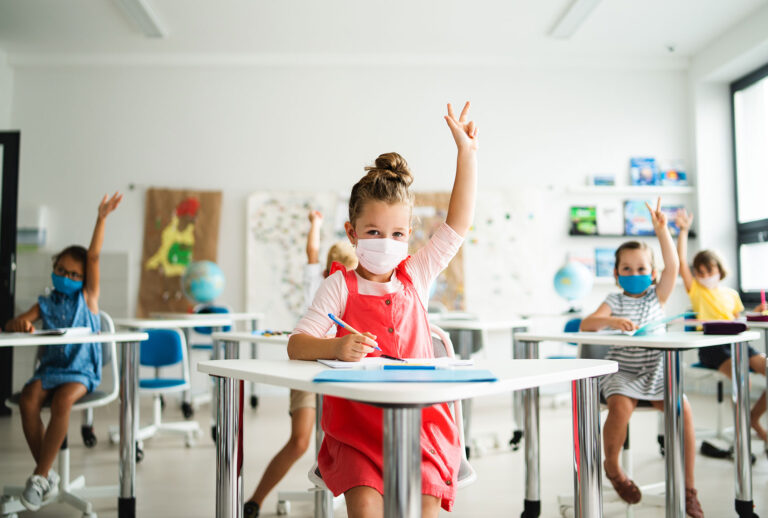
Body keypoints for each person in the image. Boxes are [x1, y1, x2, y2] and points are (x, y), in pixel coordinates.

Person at [287, 102, 478, 517]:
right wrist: (336, 347)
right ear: (352, 233)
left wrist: (466, 154)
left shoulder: (417, 275)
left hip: (422, 426)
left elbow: (458, 224)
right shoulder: (338, 285)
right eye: (373, 232)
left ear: (408, 235)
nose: (385, 242)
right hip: (356, 432)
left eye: (396, 234)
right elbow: (296, 345)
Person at [581, 198, 703, 518]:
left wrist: (662, 231)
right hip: (622, 371)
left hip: (658, 370)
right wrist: (611, 321)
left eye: (641, 269)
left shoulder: (656, 296)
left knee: (683, 410)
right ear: (616, 273)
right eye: (627, 269)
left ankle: (689, 489)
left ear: (652, 273)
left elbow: (673, 266)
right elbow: (587, 324)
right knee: (620, 407)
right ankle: (613, 468)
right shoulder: (614, 299)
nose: (634, 273)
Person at [6, 192, 123, 511]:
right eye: (61, 270)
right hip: (50, 369)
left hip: (80, 371)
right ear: (53, 269)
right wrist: (21, 325)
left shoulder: (88, 298)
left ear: (84, 279)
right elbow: (15, 323)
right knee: (28, 399)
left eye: (74, 274)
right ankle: (47, 475)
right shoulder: (45, 303)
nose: (66, 277)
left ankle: (39, 476)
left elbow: (94, 257)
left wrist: (101, 218)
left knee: (62, 401)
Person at [244, 210, 357, 518]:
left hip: (341, 374)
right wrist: (315, 225)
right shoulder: (318, 282)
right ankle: (255, 500)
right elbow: (312, 251)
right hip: (308, 371)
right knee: (300, 441)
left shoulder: (358, 289)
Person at [676, 208, 768, 441]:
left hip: (738, 344)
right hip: (713, 348)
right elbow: (680, 263)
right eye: (700, 272)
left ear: (719, 269)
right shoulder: (697, 291)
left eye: (710, 269)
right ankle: (745, 430)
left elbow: (740, 322)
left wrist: (755, 314)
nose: (705, 275)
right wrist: (683, 231)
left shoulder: (731, 294)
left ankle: (753, 418)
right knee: (742, 381)